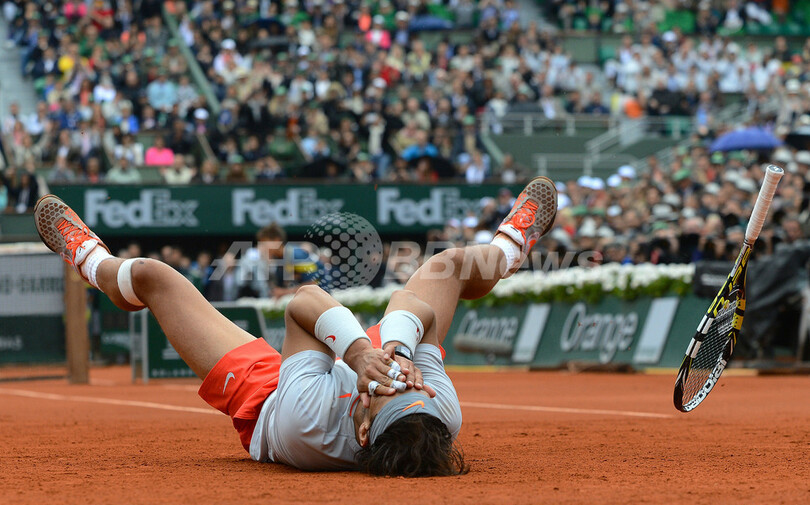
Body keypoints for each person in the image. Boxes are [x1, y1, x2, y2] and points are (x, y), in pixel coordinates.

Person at [32, 177, 557, 476]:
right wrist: (395, 349)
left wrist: (355, 355)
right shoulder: (433, 407)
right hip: (362, 368)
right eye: (405, 381)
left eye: (383, 390)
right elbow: (418, 309)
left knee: (152, 277)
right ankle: (509, 250)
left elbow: (304, 303)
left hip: (272, 396)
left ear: (364, 427)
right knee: (448, 267)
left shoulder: (305, 425)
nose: (397, 378)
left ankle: (90, 260)